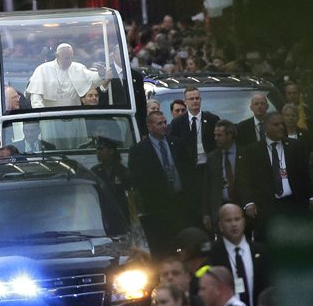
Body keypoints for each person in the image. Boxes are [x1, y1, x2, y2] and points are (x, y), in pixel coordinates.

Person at [128, 110, 189, 256]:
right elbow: (137, 180)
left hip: (180, 203)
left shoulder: (177, 144)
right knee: (162, 248)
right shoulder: (139, 150)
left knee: (181, 245)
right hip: (156, 208)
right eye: (159, 123)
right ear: (150, 126)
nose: (164, 126)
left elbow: (187, 172)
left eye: (165, 122)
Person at [244, 112, 313, 225]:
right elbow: (246, 178)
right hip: (268, 205)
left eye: (282, 124)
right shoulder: (253, 151)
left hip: (295, 203)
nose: (281, 127)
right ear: (265, 127)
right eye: (276, 124)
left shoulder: (296, 146)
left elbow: (306, 172)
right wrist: (249, 202)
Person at [208, 203, 267, 306]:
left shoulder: (260, 251)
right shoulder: (213, 253)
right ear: (220, 226)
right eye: (228, 220)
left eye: (237, 219)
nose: (234, 224)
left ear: (244, 222)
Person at [24, 43, 108, 108]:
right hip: (51, 116)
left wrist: (100, 74)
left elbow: (92, 80)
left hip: (73, 114)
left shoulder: (78, 68)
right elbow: (36, 96)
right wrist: (41, 113)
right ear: (57, 56)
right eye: (67, 58)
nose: (70, 61)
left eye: (71, 58)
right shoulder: (43, 69)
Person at [203, 119, 251, 232]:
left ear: (229, 136)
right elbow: (207, 187)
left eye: (219, 135)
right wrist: (206, 214)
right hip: (221, 207)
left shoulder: (245, 154)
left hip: (242, 206)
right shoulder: (212, 157)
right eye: (215, 135)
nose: (216, 138)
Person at [168, 86, 219, 173]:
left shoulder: (212, 119)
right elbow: (173, 145)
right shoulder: (177, 123)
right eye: (191, 99)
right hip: (188, 168)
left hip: (210, 165)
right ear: (185, 102)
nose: (195, 101)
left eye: (197, 98)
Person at [91, 136, 131, 214]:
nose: (98, 152)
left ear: (111, 151)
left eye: (101, 149)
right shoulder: (95, 171)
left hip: (121, 213)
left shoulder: (123, 171)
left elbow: (129, 195)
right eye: (97, 149)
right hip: (102, 211)